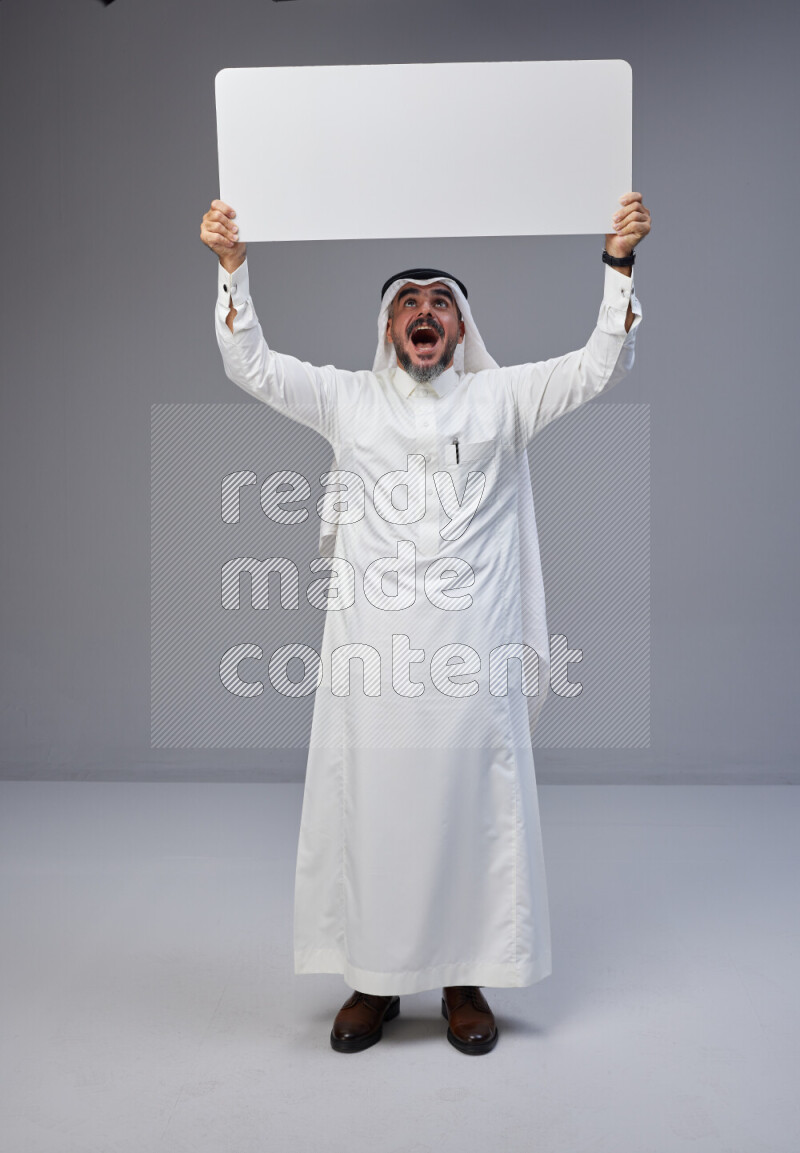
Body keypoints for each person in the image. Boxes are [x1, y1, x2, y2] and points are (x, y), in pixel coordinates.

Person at [200, 193, 651, 1055]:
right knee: (372, 811)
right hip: (375, 664)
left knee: (471, 813)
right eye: (409, 301)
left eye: (440, 302)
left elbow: (602, 364)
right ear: (387, 325)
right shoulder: (346, 402)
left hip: (469, 665)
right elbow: (252, 365)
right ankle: (372, 982)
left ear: (460, 325)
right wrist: (232, 269)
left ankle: (462, 981)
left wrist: (618, 265)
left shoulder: (503, 401)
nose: (425, 313)